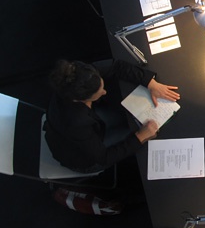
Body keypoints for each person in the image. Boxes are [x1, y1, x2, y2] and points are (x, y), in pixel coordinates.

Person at [44, 59, 179, 173]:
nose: (104, 92)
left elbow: (116, 66)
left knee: (128, 120)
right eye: (99, 92)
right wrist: (140, 136)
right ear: (80, 99)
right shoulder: (76, 123)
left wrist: (151, 83)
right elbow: (104, 158)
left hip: (88, 126)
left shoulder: (81, 78)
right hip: (83, 157)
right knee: (135, 130)